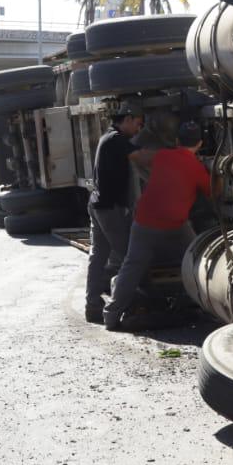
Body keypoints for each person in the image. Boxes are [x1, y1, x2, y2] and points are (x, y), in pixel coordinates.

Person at [104, 122, 211, 330]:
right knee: (199, 259)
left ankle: (110, 316)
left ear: (177, 141)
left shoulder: (162, 156)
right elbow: (214, 193)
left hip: (145, 222)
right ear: (200, 143)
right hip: (176, 224)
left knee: (132, 266)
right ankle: (209, 308)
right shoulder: (197, 168)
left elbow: (139, 157)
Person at [84, 103, 146, 323]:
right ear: (127, 119)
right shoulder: (116, 140)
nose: (138, 130)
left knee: (98, 255)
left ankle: (92, 305)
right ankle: (123, 305)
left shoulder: (107, 137)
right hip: (109, 208)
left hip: (98, 203)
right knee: (126, 256)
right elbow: (142, 158)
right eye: (138, 124)